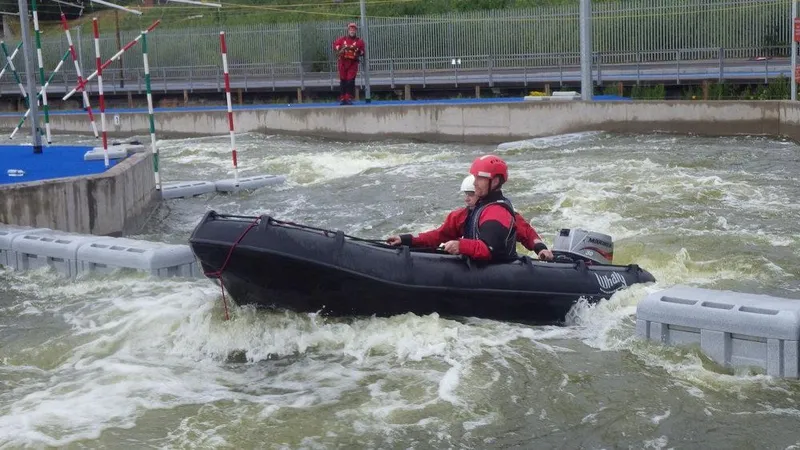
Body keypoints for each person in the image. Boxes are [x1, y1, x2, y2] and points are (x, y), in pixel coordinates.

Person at [386, 173, 554, 260]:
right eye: (466, 194)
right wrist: (407, 239)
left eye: (471, 194)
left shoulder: (501, 215)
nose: (467, 198)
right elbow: (438, 235)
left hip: (501, 265)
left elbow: (528, 234)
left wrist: (541, 249)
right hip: (475, 265)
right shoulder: (460, 216)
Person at [332, 23, 365, 106]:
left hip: (353, 63)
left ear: (356, 30)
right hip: (342, 62)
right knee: (343, 80)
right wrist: (341, 48)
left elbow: (362, 52)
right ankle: (342, 98)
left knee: (350, 80)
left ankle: (348, 98)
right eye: (350, 29)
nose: (352, 31)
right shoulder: (342, 39)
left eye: (353, 29)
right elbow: (335, 45)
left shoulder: (359, 41)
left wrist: (357, 50)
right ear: (348, 30)